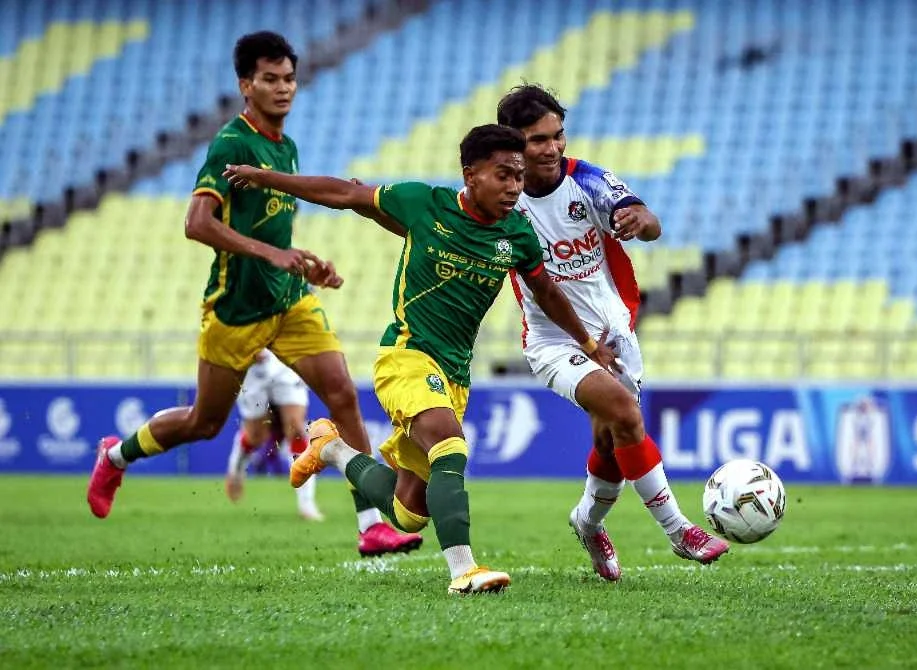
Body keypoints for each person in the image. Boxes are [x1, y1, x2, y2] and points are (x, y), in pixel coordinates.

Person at [222, 124, 618, 594]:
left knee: (409, 513)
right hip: (407, 357)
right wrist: (267, 178)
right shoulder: (424, 205)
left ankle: (331, 449)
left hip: (454, 375)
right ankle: (463, 571)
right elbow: (344, 193)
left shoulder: (517, 233)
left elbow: (547, 293)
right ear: (470, 175)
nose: (514, 186)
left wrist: (589, 345)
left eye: (518, 175)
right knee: (450, 446)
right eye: (503, 175)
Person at [85, 30, 421, 557]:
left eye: (289, 78)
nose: (283, 88)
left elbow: (272, 234)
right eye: (270, 79)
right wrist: (270, 256)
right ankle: (115, 457)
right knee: (204, 422)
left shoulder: (285, 147)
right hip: (235, 311)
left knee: (341, 393)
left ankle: (370, 525)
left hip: (288, 301)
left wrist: (304, 261)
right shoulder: (231, 144)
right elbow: (197, 223)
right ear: (247, 85)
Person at [496, 84, 729, 581]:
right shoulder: (503, 201)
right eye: (538, 140)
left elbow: (650, 222)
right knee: (625, 414)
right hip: (554, 342)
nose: (553, 148)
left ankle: (587, 521)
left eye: (558, 136)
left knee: (610, 442)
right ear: (512, 143)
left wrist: (639, 219)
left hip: (614, 333)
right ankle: (679, 530)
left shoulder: (587, 181)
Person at [225, 349, 324, 521]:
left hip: (285, 358)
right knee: (255, 436)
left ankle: (306, 503)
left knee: (297, 430)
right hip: (253, 364)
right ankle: (237, 468)